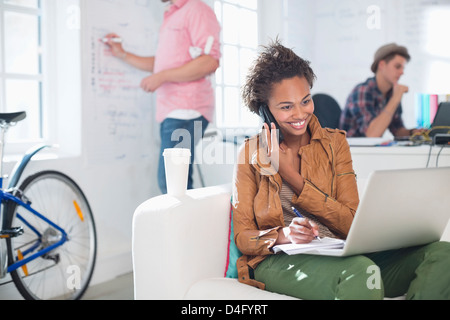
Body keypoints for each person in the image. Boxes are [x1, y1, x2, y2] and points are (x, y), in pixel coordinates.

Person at [232, 39, 450, 300]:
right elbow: (243, 237)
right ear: (265, 110)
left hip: (340, 252)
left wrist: (290, 174)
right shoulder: (250, 153)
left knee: (441, 254)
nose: (300, 113)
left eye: (305, 101)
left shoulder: (335, 144)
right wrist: (284, 234)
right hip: (276, 261)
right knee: (359, 270)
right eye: (286, 106)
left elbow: (350, 222)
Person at [104, 0, 221, 194]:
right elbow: (162, 65)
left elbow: (209, 62)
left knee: (172, 185)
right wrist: (123, 54)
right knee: (175, 184)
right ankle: (190, 224)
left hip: (187, 110)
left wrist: (162, 76)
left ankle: (190, 225)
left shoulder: (197, 10)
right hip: (175, 111)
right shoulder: (173, 14)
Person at [340, 43, 420, 138]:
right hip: (352, 150)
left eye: (403, 68)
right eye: (398, 67)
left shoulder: (391, 93)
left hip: (372, 150)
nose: (402, 72)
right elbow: (372, 134)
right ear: (381, 65)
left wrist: (415, 132)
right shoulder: (362, 91)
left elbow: (397, 130)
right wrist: (395, 99)